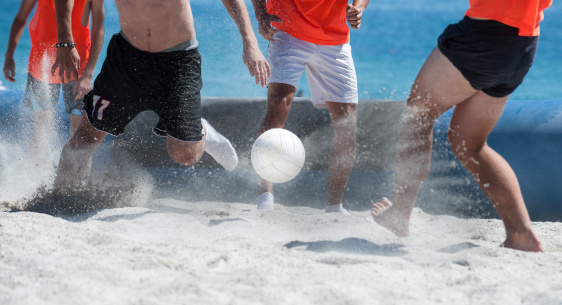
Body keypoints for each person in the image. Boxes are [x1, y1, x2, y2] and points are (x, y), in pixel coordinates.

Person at [371, 0, 552, 252]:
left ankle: (399, 214)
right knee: (470, 144)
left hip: (484, 37)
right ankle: (521, 234)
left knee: (417, 116)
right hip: (522, 46)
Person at [50, 0, 270, 186]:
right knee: (81, 143)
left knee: (186, 154)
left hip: (178, 61)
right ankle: (59, 198)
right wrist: (65, 42)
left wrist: (250, 43)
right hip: (127, 58)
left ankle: (201, 130)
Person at [250, 0, 370, 214]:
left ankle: (335, 207)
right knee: (279, 105)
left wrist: (359, 7)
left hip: (335, 38)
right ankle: (265, 199)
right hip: (288, 30)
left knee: (347, 123)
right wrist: (260, 14)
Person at [3, 0, 104, 166]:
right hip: (41, 64)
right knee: (42, 130)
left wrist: (89, 74)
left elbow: (98, 31)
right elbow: (21, 18)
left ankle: (82, 182)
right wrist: (9, 56)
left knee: (79, 131)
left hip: (78, 65)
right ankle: (33, 179)